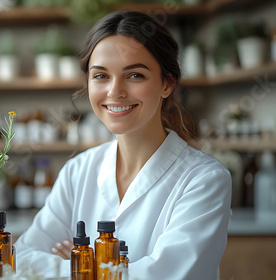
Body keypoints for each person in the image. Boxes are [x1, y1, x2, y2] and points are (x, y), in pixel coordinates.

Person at [14, 11, 232, 280]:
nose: (115, 92)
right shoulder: (77, 171)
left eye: (135, 76)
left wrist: (81, 265)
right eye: (101, 76)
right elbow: (22, 258)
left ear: (167, 83)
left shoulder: (204, 179)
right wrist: (109, 270)